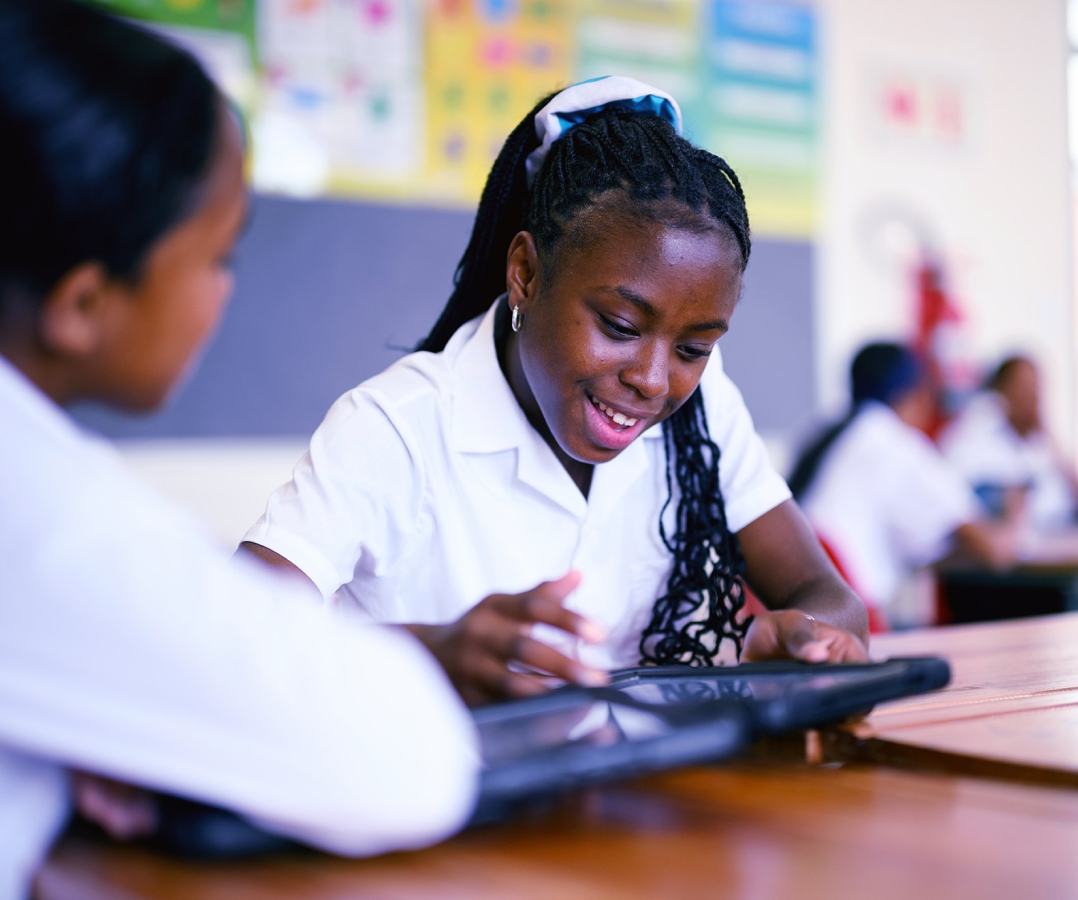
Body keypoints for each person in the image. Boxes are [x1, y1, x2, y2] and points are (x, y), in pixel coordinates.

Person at [0, 3, 479, 896]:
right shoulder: (36, 509)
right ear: (80, 304)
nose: (226, 294)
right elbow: (413, 757)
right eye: (220, 257)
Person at [240, 76, 870, 705]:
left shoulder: (702, 411)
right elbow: (230, 639)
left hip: (641, 788)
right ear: (526, 274)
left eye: (693, 348)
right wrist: (435, 653)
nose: (652, 379)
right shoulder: (397, 428)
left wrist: (800, 642)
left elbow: (830, 599)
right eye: (620, 327)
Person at [788, 343, 1022, 628]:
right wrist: (1018, 511)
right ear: (914, 394)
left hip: (794, 608)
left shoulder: (821, 432)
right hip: (845, 619)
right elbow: (993, 552)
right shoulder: (893, 440)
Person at [940, 355, 1078, 531]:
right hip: (1012, 551)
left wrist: (1049, 438)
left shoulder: (1040, 445)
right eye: (1024, 388)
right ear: (1001, 392)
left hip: (1061, 539)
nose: (1033, 397)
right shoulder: (973, 436)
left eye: (1036, 388)